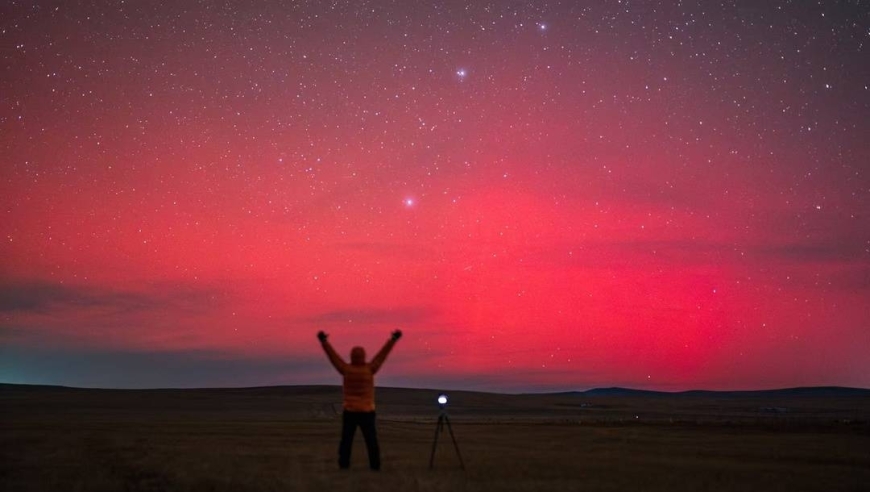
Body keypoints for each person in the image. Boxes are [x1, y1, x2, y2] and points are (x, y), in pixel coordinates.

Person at [317, 329, 402, 470]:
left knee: (346, 441)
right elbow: (382, 355)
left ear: (351, 356)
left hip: (350, 411)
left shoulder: (346, 369)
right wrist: (392, 339)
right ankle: (375, 466)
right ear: (363, 356)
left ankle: (344, 465)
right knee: (371, 441)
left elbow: (333, 357)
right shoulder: (370, 369)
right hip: (367, 411)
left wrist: (324, 342)